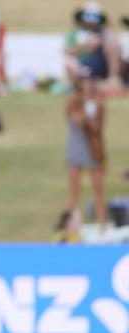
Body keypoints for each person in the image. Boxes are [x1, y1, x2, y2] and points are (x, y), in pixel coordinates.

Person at [66, 69, 106, 231]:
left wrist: (94, 108)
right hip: (76, 146)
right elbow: (77, 120)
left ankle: (101, 224)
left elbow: (98, 126)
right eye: (84, 80)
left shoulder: (99, 102)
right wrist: (86, 106)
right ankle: (71, 226)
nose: (87, 83)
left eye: (90, 80)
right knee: (74, 189)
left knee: (98, 188)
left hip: (93, 146)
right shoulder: (73, 101)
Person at [65, 2, 123, 93]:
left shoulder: (105, 33)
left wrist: (102, 40)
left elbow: (117, 48)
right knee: (69, 62)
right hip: (84, 64)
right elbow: (67, 51)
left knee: (111, 38)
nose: (91, 21)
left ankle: (112, 79)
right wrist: (86, 46)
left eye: (94, 17)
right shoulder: (74, 33)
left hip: (101, 62)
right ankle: (81, 86)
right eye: (88, 16)